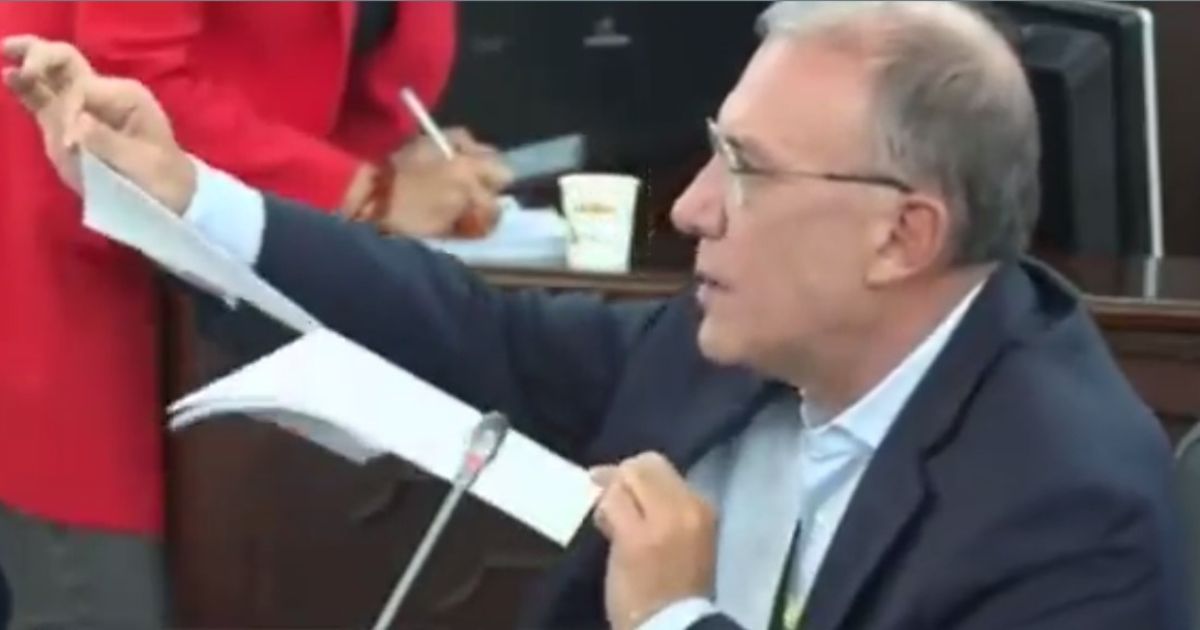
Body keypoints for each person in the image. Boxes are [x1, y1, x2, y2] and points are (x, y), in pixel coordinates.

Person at [3, 1, 1190, 629]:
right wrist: (187, 191)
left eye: (746, 169)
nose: (693, 206)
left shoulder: (1067, 511)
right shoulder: (734, 347)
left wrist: (673, 619)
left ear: (902, 236)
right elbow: (473, 330)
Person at [0, 2, 509, 627]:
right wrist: (367, 192)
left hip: (243, 282)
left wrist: (389, 163)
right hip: (94, 255)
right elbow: (126, 83)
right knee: (109, 602)